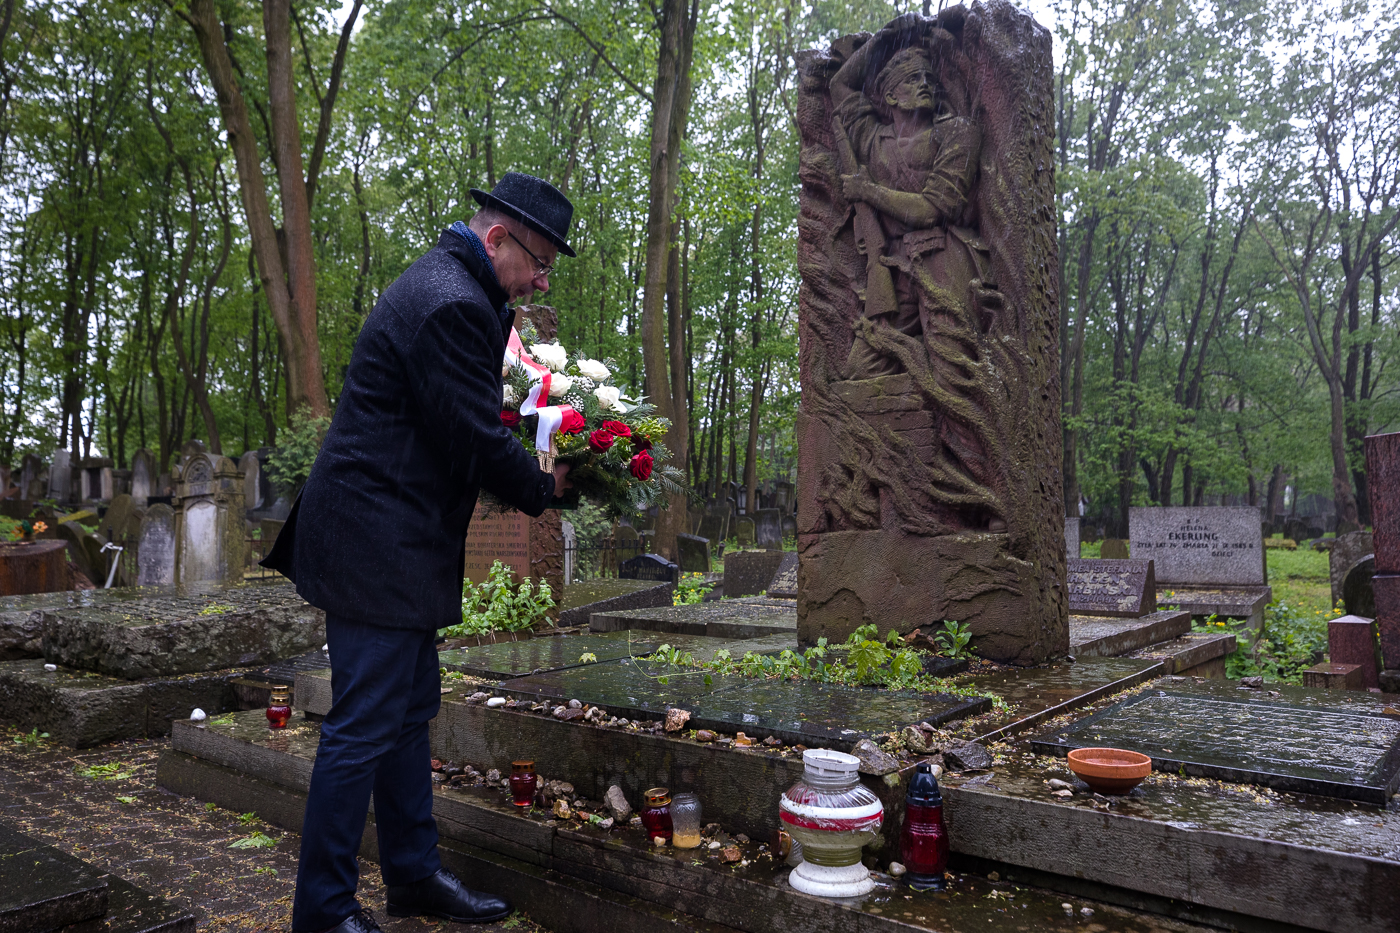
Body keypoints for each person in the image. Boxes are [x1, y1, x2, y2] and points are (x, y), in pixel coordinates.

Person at [263, 172, 576, 933]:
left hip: (398, 536)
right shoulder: (450, 301)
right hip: (375, 540)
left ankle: (413, 876)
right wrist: (547, 483)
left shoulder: (460, 290)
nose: (541, 280)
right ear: (497, 239)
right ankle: (323, 910)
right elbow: (471, 439)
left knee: (406, 715)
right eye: (539, 262)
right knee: (363, 725)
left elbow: (460, 414)